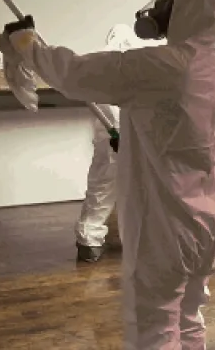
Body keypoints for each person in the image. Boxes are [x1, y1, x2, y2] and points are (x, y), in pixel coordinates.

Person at [0, 0, 215, 349]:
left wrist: (27, 44)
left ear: (187, 7)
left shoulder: (163, 65)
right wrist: (134, 140)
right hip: (211, 219)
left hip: (167, 226)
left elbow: (75, 74)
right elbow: (183, 135)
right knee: (190, 316)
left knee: (155, 325)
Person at [75, 24, 139, 263]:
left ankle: (89, 241)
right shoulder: (140, 61)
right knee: (137, 184)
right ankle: (139, 240)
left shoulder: (102, 63)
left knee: (104, 180)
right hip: (122, 128)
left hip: (114, 129)